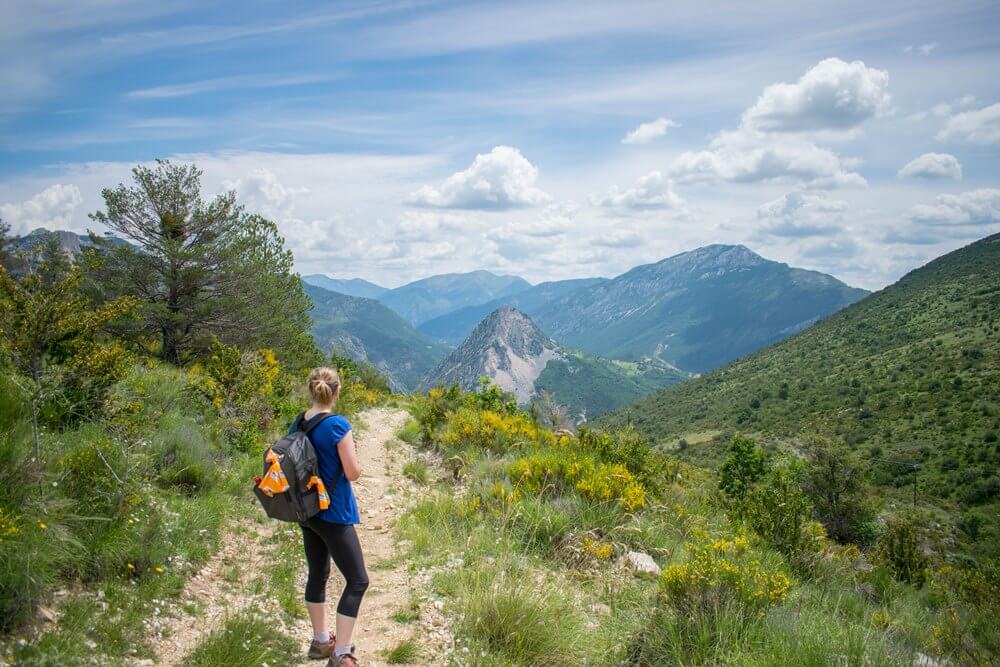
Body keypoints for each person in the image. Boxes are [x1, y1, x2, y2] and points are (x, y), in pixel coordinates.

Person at [296, 367, 367, 666]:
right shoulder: (338, 425)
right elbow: (351, 472)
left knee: (318, 573)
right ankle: (342, 653)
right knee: (357, 580)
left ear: (312, 390)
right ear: (336, 392)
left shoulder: (299, 421)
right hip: (334, 513)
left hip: (308, 512)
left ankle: (321, 641)